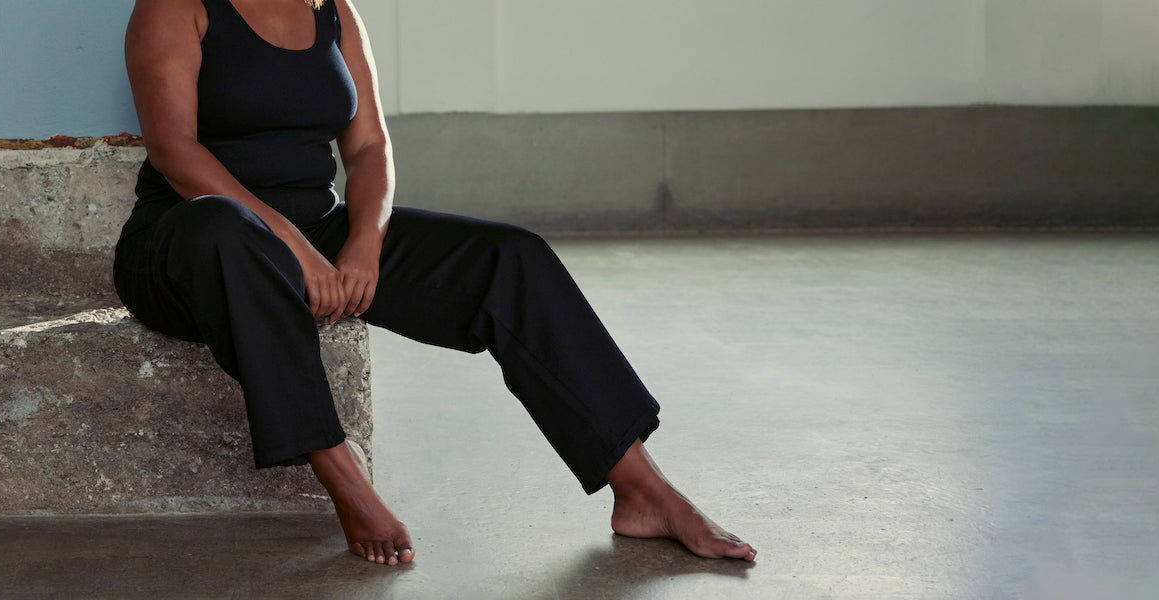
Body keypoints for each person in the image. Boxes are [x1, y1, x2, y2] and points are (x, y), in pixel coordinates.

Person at [114, 0, 757, 565]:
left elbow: (369, 147)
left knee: (511, 258)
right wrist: (292, 247)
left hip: (318, 232)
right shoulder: (176, 5)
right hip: (188, 243)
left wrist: (364, 241)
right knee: (226, 230)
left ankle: (641, 488)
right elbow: (176, 152)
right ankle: (340, 469)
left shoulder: (331, 8)